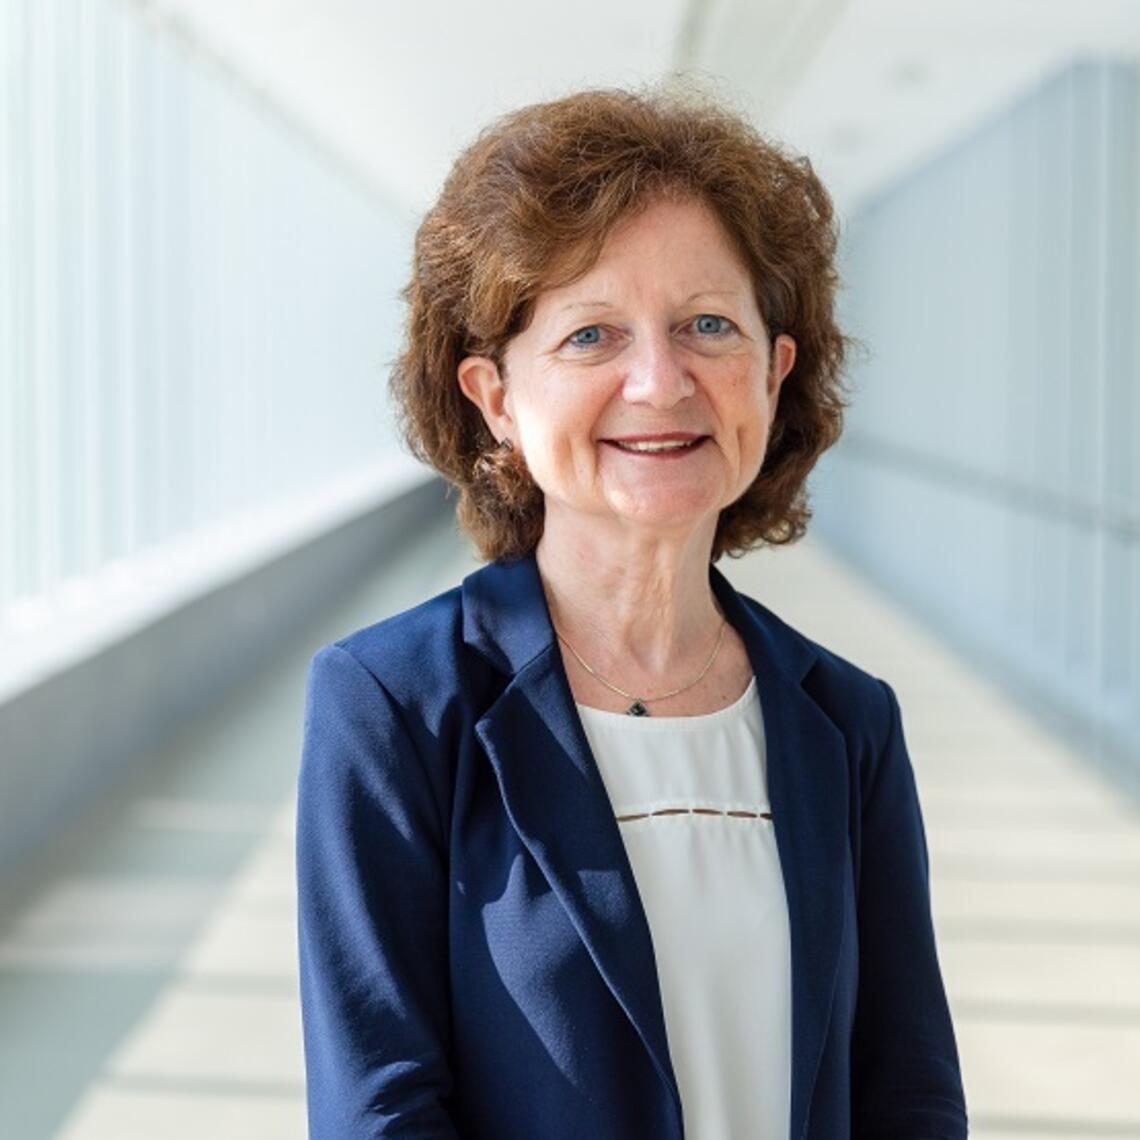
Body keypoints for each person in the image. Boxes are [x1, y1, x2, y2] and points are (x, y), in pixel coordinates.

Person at [296, 84, 968, 1140]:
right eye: (591, 335)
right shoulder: (392, 704)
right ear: (495, 398)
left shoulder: (849, 722)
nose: (660, 383)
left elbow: (911, 1095)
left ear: (773, 372)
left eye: (708, 325)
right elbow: (379, 1108)